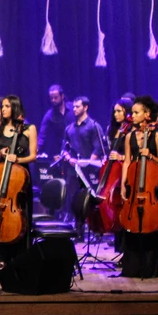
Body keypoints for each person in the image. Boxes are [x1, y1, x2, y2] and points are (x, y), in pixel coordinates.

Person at [0, 95, 38, 262]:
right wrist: (0, 153)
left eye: (6, 106)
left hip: (20, 179)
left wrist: (18, 159)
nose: (3, 109)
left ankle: (19, 259)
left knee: (20, 218)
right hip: (1, 177)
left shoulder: (29, 129)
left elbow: (33, 156)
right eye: (2, 106)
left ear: (15, 108)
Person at [119, 96, 158, 278]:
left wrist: (150, 156)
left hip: (149, 188)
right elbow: (127, 162)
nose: (132, 115)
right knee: (130, 225)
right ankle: (131, 267)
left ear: (147, 114)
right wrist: (124, 184)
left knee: (151, 224)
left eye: (136, 112)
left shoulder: (157, 137)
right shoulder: (129, 136)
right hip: (134, 186)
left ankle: (149, 267)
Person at [61, 96, 106, 231]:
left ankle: (95, 228)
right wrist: (69, 159)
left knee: (90, 200)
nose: (74, 109)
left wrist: (87, 163)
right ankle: (78, 229)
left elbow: (98, 148)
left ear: (85, 107)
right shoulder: (69, 128)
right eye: (73, 107)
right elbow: (64, 149)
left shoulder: (94, 126)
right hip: (72, 170)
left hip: (89, 171)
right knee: (75, 199)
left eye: (77, 106)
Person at [37, 84, 68, 158]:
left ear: (62, 96)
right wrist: (36, 150)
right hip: (59, 151)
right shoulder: (49, 115)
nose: (53, 100)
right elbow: (42, 135)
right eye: (51, 98)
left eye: (56, 98)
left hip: (76, 149)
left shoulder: (73, 109)